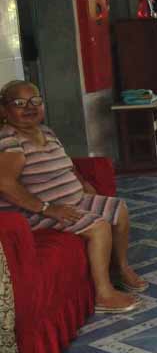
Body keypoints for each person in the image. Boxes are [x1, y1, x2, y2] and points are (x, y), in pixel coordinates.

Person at [0, 80, 145, 313]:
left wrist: (83, 184)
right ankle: (103, 295)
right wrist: (46, 208)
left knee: (119, 209)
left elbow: (67, 165)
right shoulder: (9, 140)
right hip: (37, 212)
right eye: (19, 103)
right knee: (98, 227)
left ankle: (120, 268)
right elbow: (5, 183)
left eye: (35, 101)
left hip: (70, 200)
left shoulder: (46, 131)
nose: (29, 107)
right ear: (4, 110)